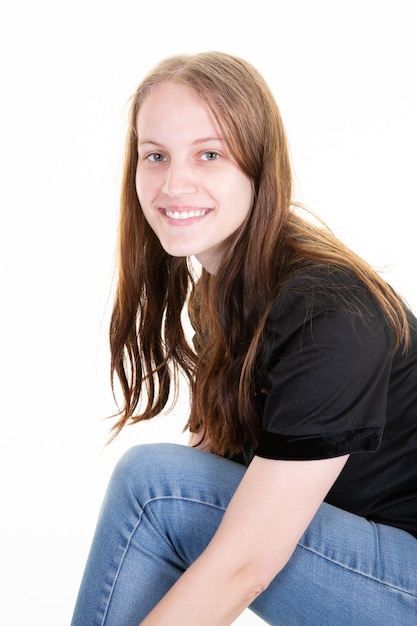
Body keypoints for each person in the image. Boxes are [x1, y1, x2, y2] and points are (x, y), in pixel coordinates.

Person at [70, 51, 417, 625]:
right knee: (163, 487)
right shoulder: (222, 297)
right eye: (155, 155)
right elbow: (208, 478)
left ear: (259, 167)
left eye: (209, 154)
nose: (174, 182)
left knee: (154, 487)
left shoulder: (327, 310)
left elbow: (245, 561)